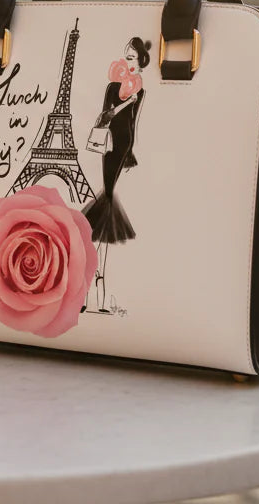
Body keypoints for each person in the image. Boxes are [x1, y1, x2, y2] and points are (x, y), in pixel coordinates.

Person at [82, 36, 150, 314]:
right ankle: (95, 278)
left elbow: (135, 122)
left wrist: (131, 151)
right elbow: (105, 116)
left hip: (124, 143)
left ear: (140, 62)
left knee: (108, 198)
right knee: (108, 195)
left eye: (131, 57)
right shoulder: (113, 86)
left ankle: (93, 281)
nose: (127, 61)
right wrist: (126, 102)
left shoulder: (141, 88)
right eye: (126, 56)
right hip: (109, 142)